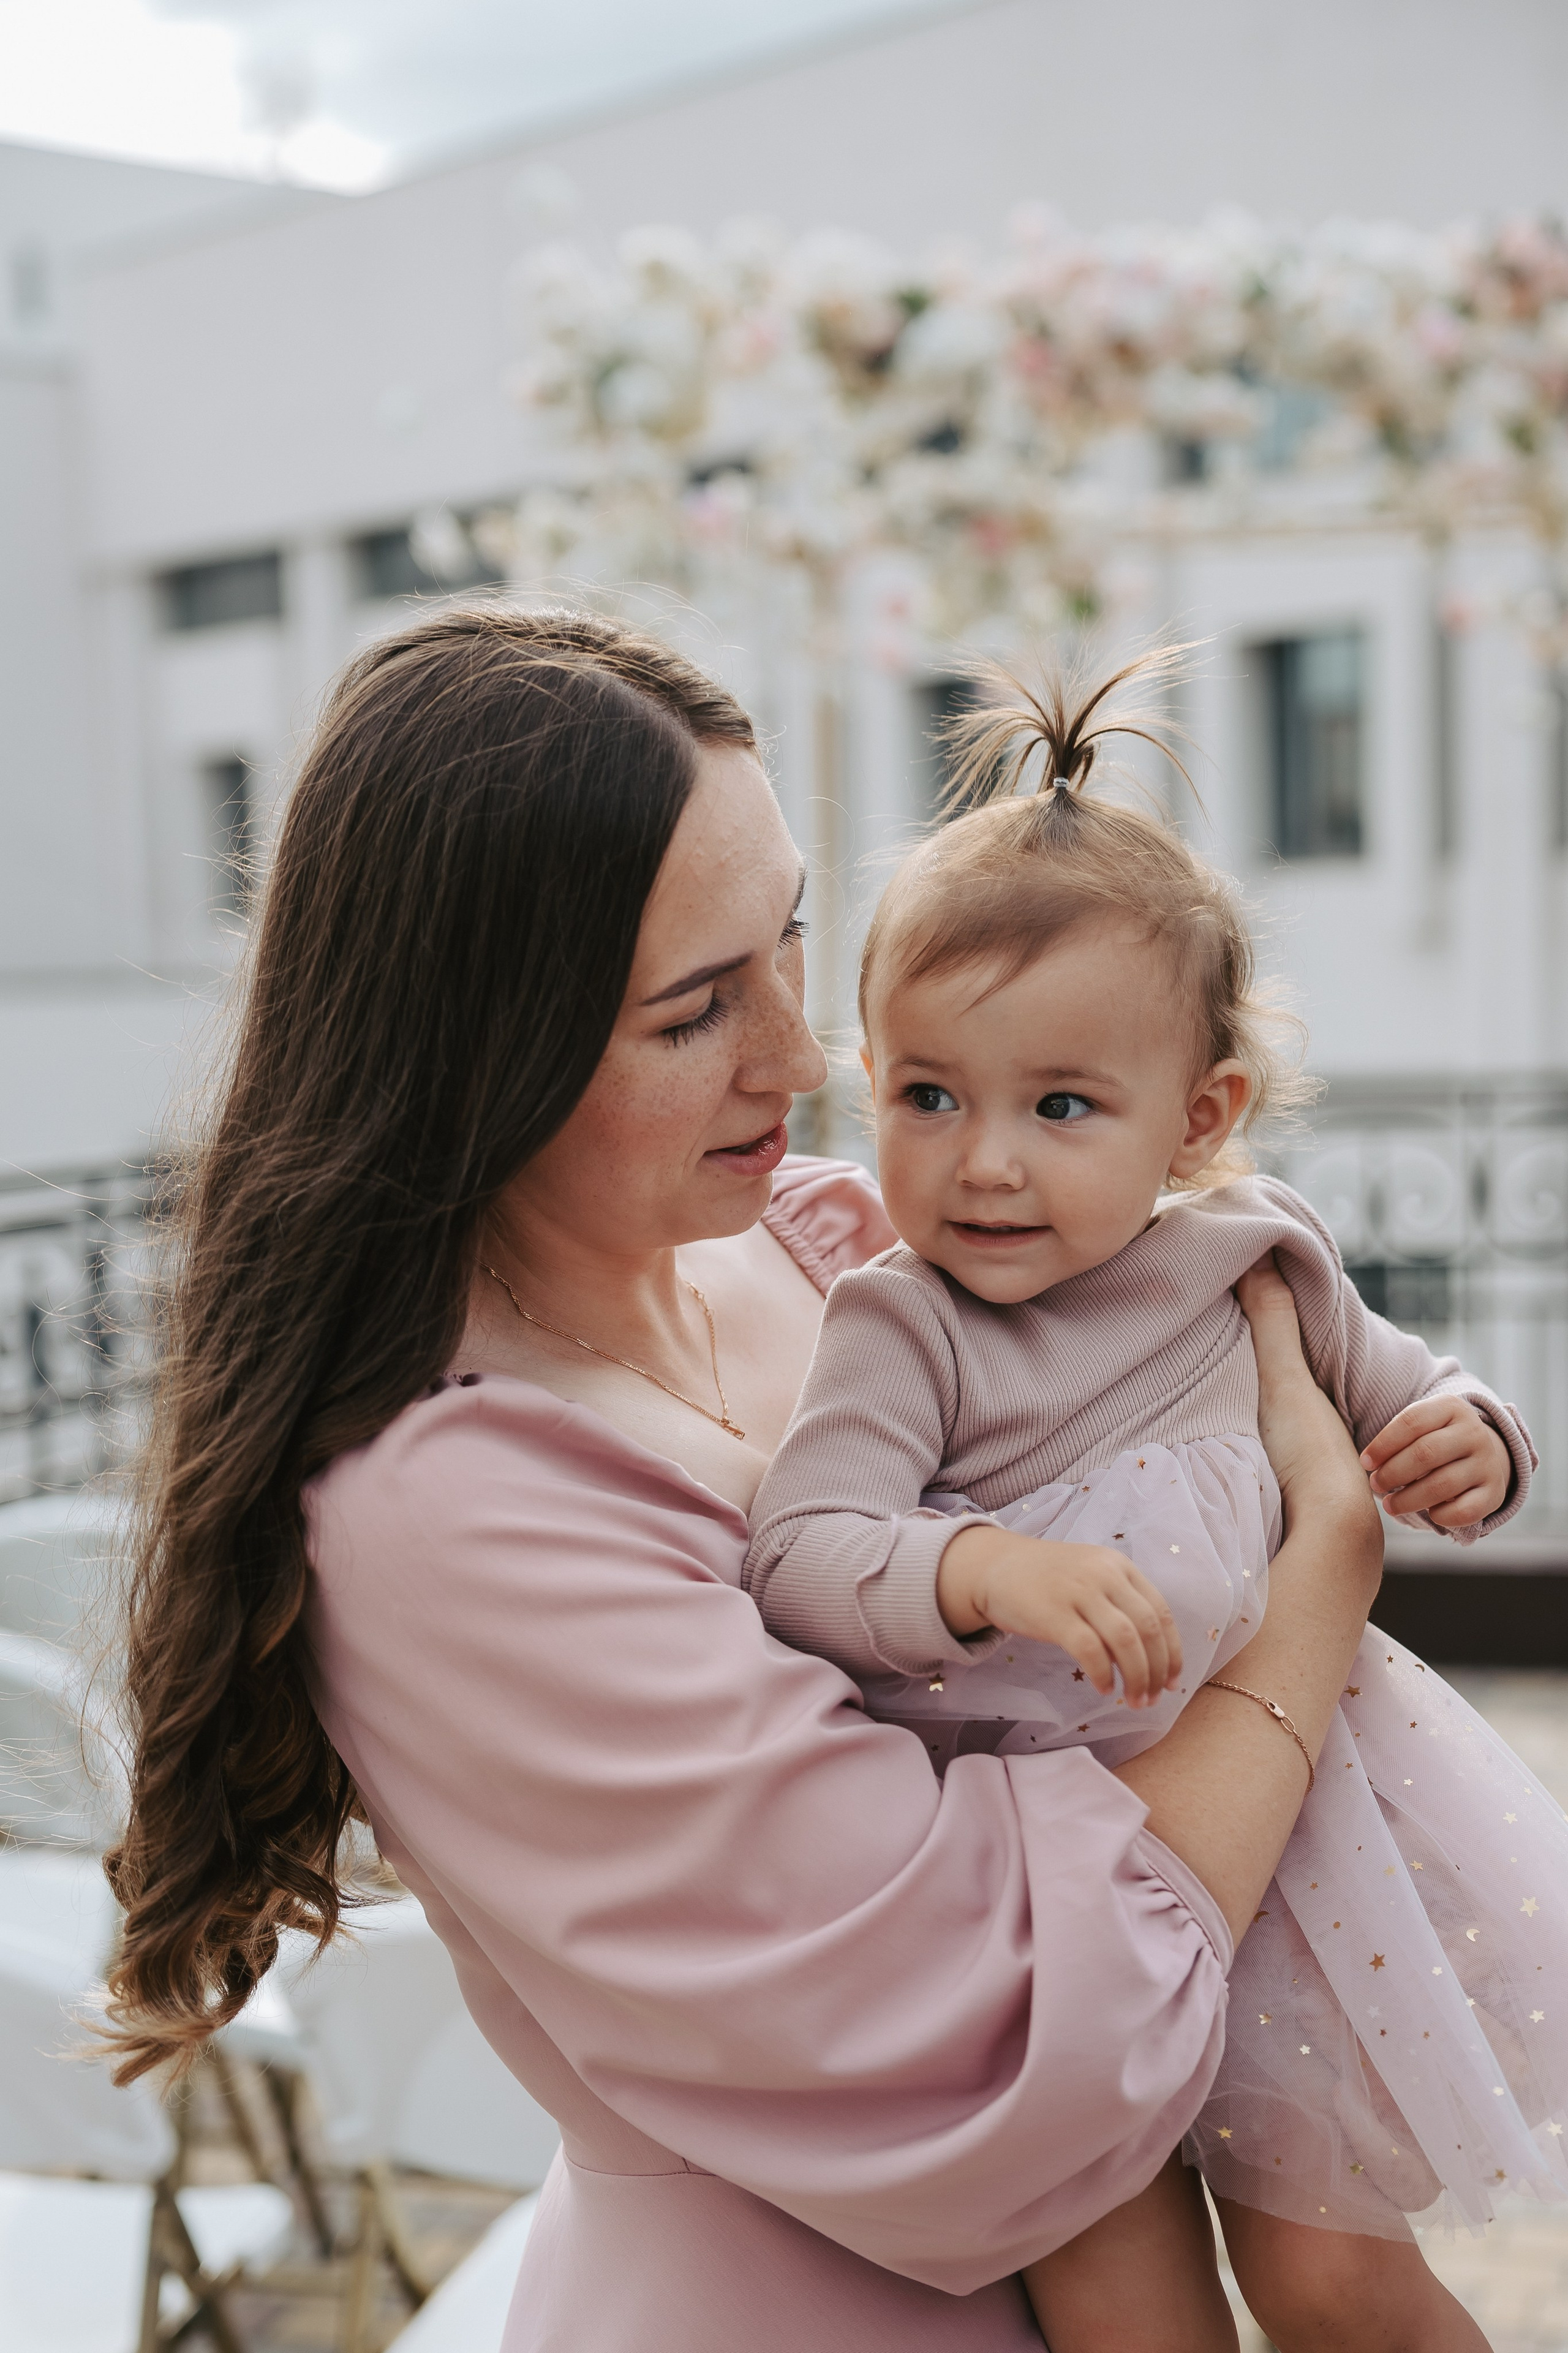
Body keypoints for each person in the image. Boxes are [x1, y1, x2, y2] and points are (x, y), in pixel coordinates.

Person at [105, 606, 1384, 2353]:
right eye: (696, 1009)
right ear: (477, 1045)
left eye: (792, 939)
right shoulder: (455, 1506)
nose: (804, 1054)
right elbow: (1001, 2016)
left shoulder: (829, 1248)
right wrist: (1319, 1590)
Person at [744, 652, 1568, 2351]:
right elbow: (804, 1549)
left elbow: (1405, 1385)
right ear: (868, 1080)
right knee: (1127, 2312)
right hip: (1055, 1903)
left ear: (1197, 1118)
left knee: (1332, 2277)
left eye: (1061, 1107)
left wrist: (1471, 1438)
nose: (985, 1161)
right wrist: (982, 1564)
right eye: (927, 1096)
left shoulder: (1252, 1250)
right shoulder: (905, 1322)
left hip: (1301, 1855)